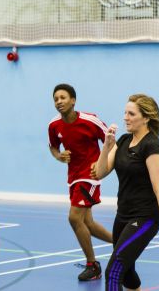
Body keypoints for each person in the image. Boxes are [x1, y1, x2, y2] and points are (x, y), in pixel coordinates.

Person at [93, 94, 159, 291]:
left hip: (145, 218)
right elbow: (99, 173)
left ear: (146, 118)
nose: (125, 117)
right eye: (125, 113)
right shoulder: (123, 140)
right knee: (128, 274)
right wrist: (106, 147)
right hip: (122, 216)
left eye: (131, 114)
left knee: (114, 271)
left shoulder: (152, 146)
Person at [47, 83, 113, 280]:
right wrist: (59, 156)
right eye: (56, 99)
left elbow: (111, 142)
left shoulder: (90, 120)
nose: (59, 102)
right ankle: (122, 245)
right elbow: (53, 147)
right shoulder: (54, 125)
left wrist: (102, 165)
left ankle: (92, 265)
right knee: (88, 223)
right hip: (73, 176)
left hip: (90, 175)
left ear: (73, 100)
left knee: (74, 218)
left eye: (63, 97)